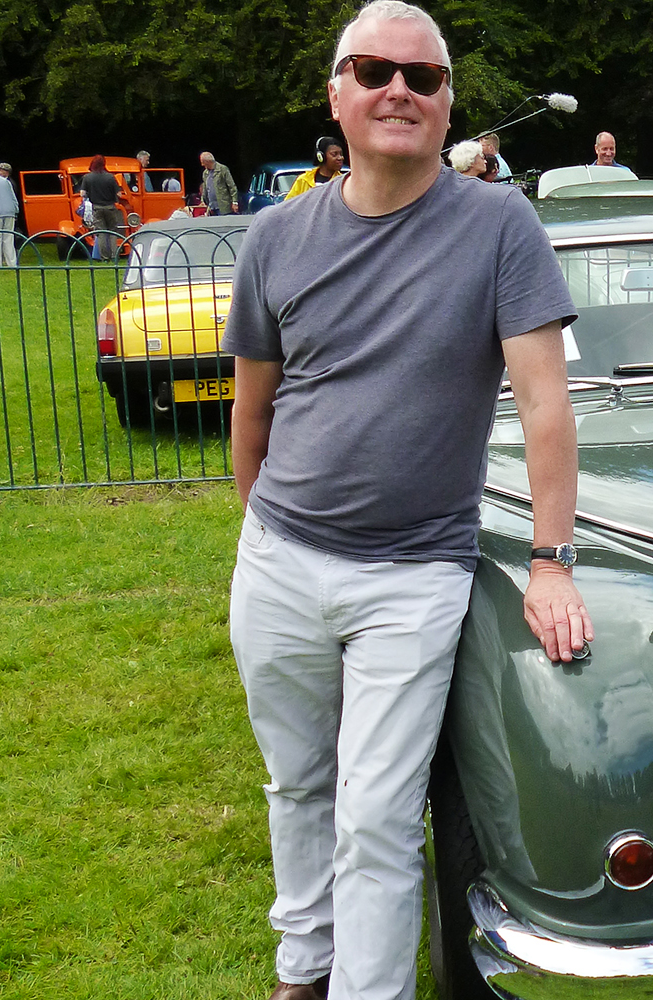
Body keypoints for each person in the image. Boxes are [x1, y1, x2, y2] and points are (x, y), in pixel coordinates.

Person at [220, 2, 591, 998]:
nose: (399, 90)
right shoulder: (275, 238)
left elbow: (547, 407)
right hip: (283, 563)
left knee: (377, 814)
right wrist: (264, 536)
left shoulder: (499, 228)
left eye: (422, 78)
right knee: (299, 784)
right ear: (335, 94)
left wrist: (551, 561)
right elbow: (252, 414)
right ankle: (304, 965)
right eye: (375, 71)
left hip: (412, 575)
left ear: (446, 104)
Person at [80, 155, 125, 262]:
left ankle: (104, 258)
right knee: (113, 232)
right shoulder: (110, 177)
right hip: (110, 207)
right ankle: (115, 255)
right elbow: (119, 194)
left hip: (97, 208)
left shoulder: (87, 177)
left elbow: (82, 193)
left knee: (101, 233)